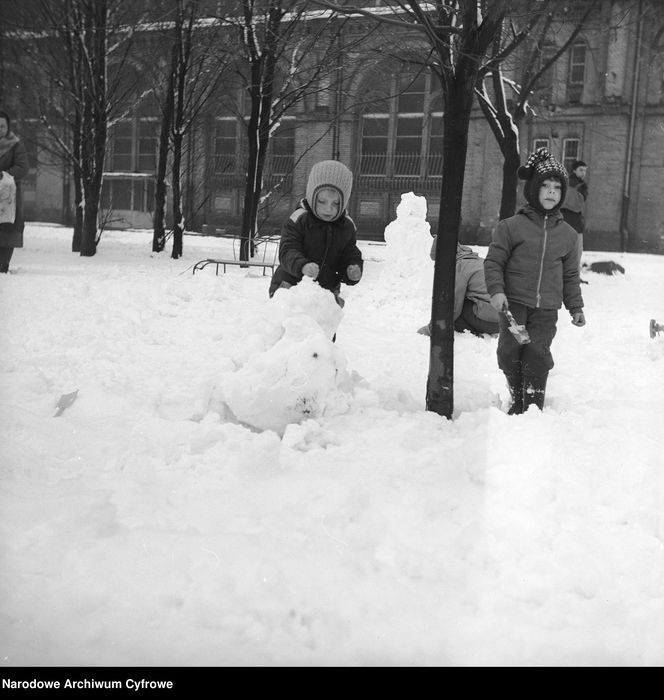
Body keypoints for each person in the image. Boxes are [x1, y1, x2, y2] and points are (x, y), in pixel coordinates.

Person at [484, 147, 586, 414]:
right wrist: (496, 290)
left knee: (538, 353)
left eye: (557, 187)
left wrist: (575, 306)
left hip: (547, 307)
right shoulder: (511, 227)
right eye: (545, 186)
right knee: (510, 352)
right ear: (533, 189)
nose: (552, 191)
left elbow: (571, 274)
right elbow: (494, 261)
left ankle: (532, 406)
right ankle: (517, 397)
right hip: (514, 304)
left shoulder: (568, 235)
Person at [268, 159, 363, 308]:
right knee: (293, 329)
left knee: (320, 331)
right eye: (322, 201)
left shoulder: (347, 226)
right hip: (292, 289)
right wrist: (302, 266)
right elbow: (287, 251)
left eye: (336, 203)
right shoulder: (299, 219)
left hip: (325, 295)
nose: (328, 209)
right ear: (312, 196)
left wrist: (352, 268)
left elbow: (349, 254)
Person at [418, 241, 500, 337]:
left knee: (456, 310)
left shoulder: (460, 267)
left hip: (493, 321)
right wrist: (520, 335)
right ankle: (487, 331)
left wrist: (432, 328)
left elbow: (452, 304)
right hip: (510, 321)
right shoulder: (479, 261)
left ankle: (480, 332)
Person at [0, 109, 29, 273]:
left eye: (2, 126)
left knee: (7, 228)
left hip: (8, 196)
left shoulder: (15, 143)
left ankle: (3, 263)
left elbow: (23, 167)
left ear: (7, 127)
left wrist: (4, 175)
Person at [560, 159, 588, 281]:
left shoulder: (564, 183)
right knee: (576, 252)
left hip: (564, 222)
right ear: (574, 170)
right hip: (574, 224)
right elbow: (578, 205)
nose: (583, 173)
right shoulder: (579, 186)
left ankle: (566, 275)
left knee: (565, 252)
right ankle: (573, 277)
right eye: (581, 170)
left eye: (585, 171)